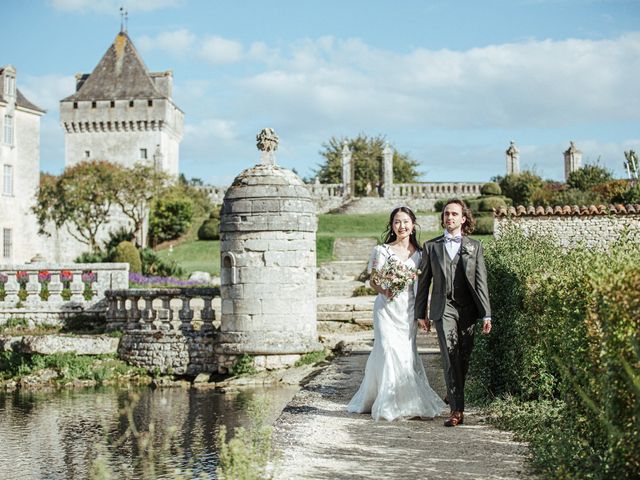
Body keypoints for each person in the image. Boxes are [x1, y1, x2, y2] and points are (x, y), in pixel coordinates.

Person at [347, 206, 446, 421]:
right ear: (392, 226)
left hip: (408, 311)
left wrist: (423, 313)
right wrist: (385, 288)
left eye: (405, 222)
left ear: (413, 225)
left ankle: (407, 401)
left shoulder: (421, 254)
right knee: (386, 349)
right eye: (397, 222)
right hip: (386, 309)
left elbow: (424, 285)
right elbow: (373, 280)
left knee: (405, 353)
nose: (401, 226)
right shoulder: (381, 251)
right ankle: (386, 402)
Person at [415, 199, 492, 427]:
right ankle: (457, 410)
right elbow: (424, 282)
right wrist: (422, 313)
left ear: (463, 218)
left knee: (464, 355)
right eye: (447, 214)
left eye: (454, 214)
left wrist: (486, 314)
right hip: (443, 308)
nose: (450, 217)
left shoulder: (475, 246)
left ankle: (453, 389)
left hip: (468, 308)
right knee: (450, 354)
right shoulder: (431, 247)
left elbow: (481, 283)